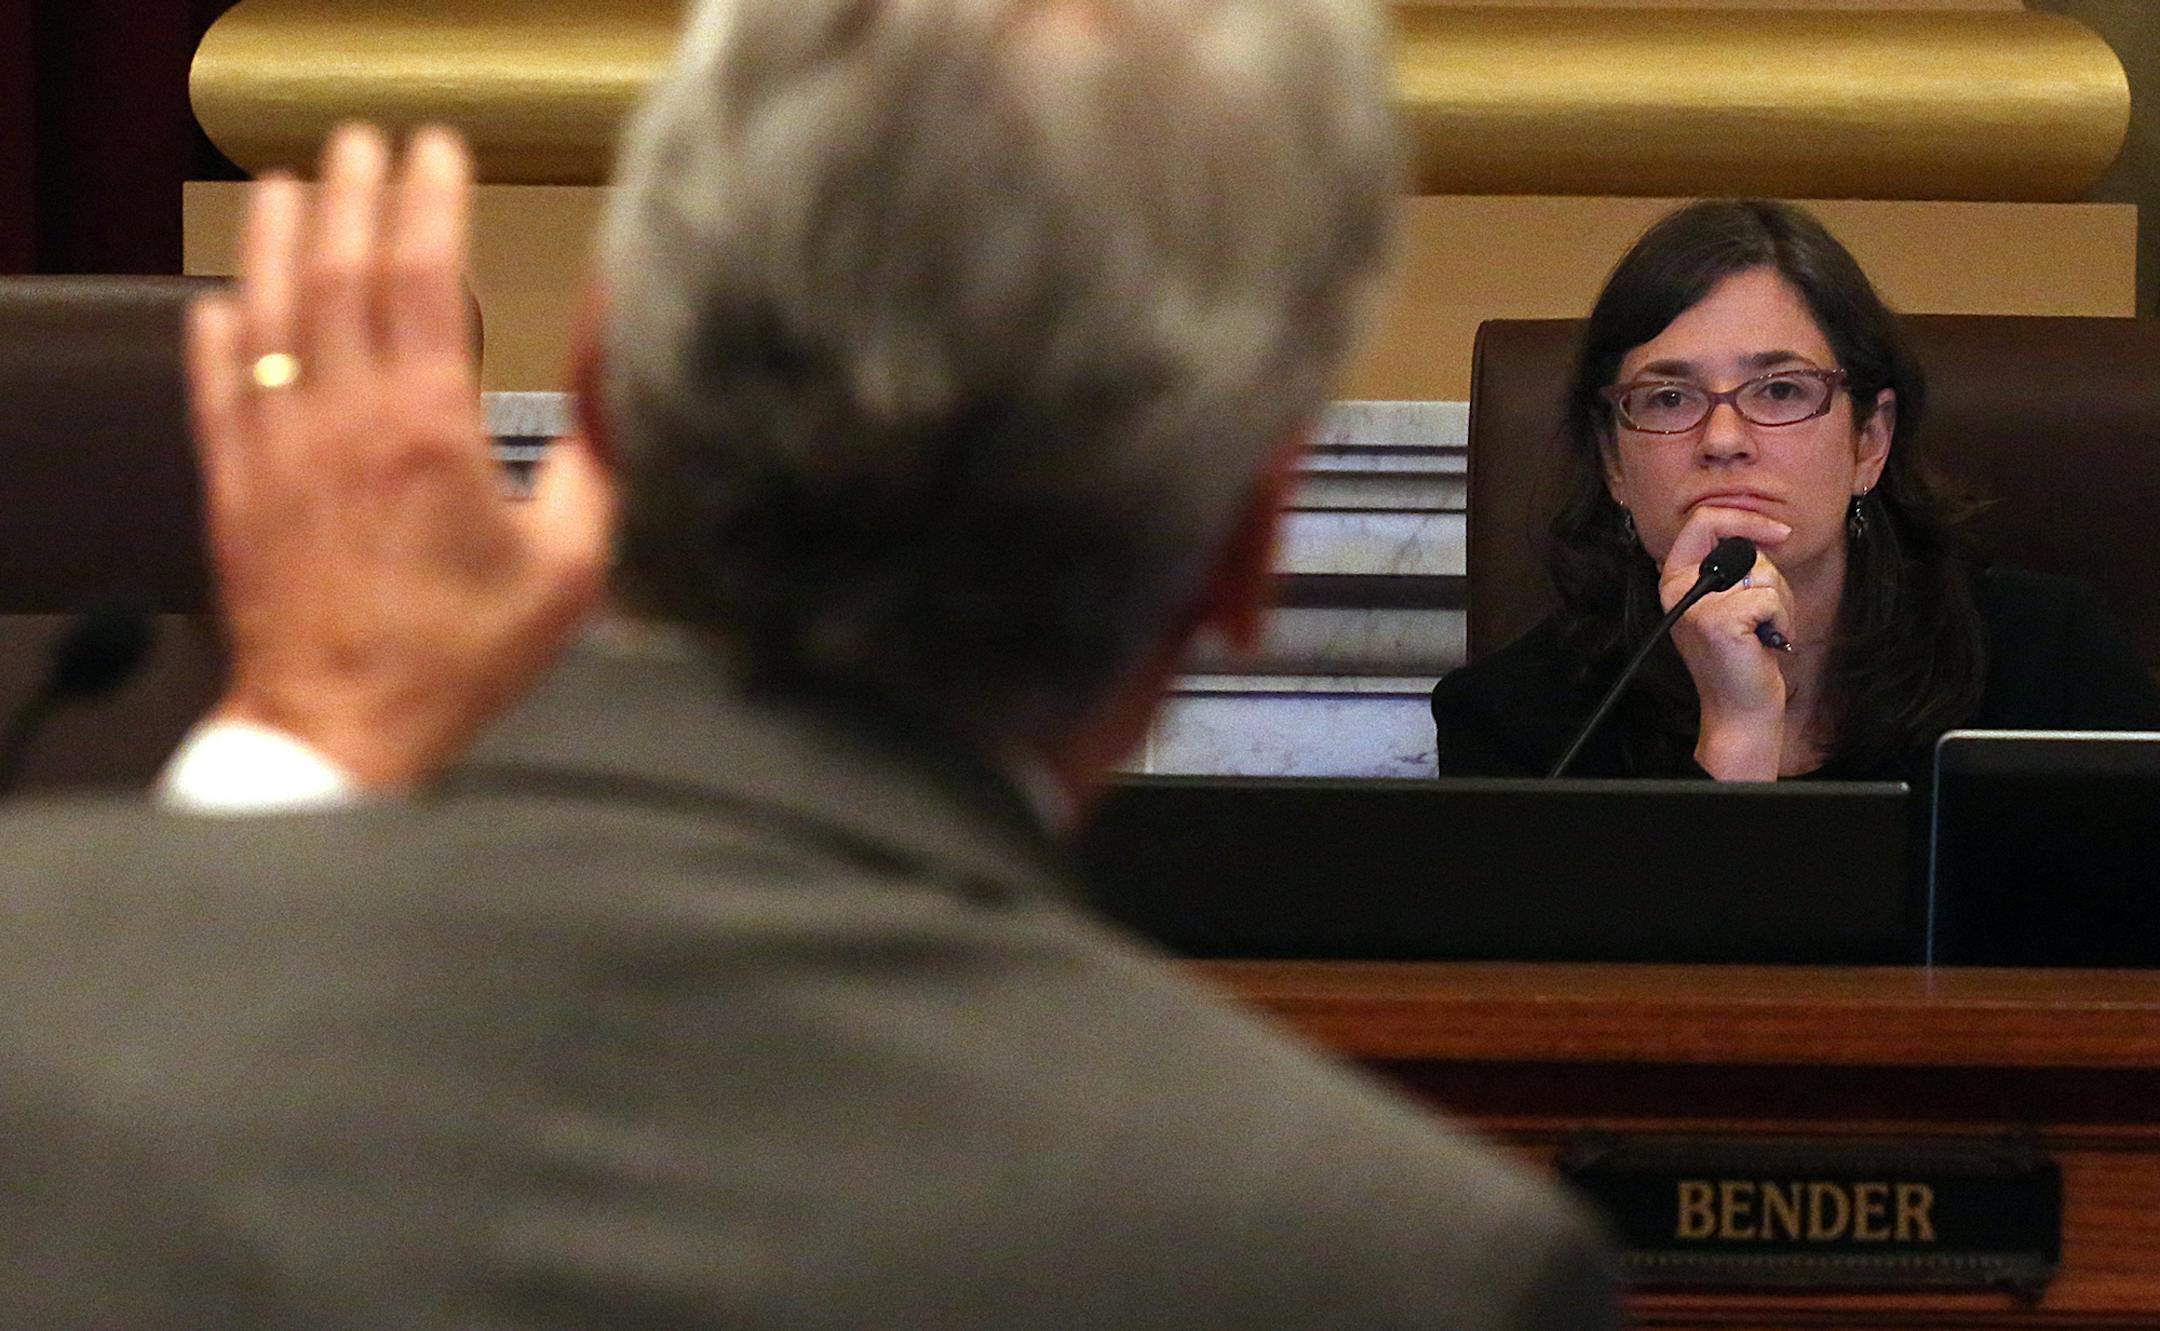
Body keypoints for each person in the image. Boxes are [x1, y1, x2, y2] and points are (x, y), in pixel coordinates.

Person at [0, 1, 1619, 1326]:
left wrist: (274, 781)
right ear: (1247, 544)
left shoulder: (44, 993)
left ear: (600, 392)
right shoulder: (1385, 1266)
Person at [1431, 199, 2160, 783]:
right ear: (1613, 464)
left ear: (1869, 442)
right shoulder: (1519, 729)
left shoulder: (2053, 670)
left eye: (1780, 390)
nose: (1722, 438)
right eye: (1668, 398)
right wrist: (1739, 728)